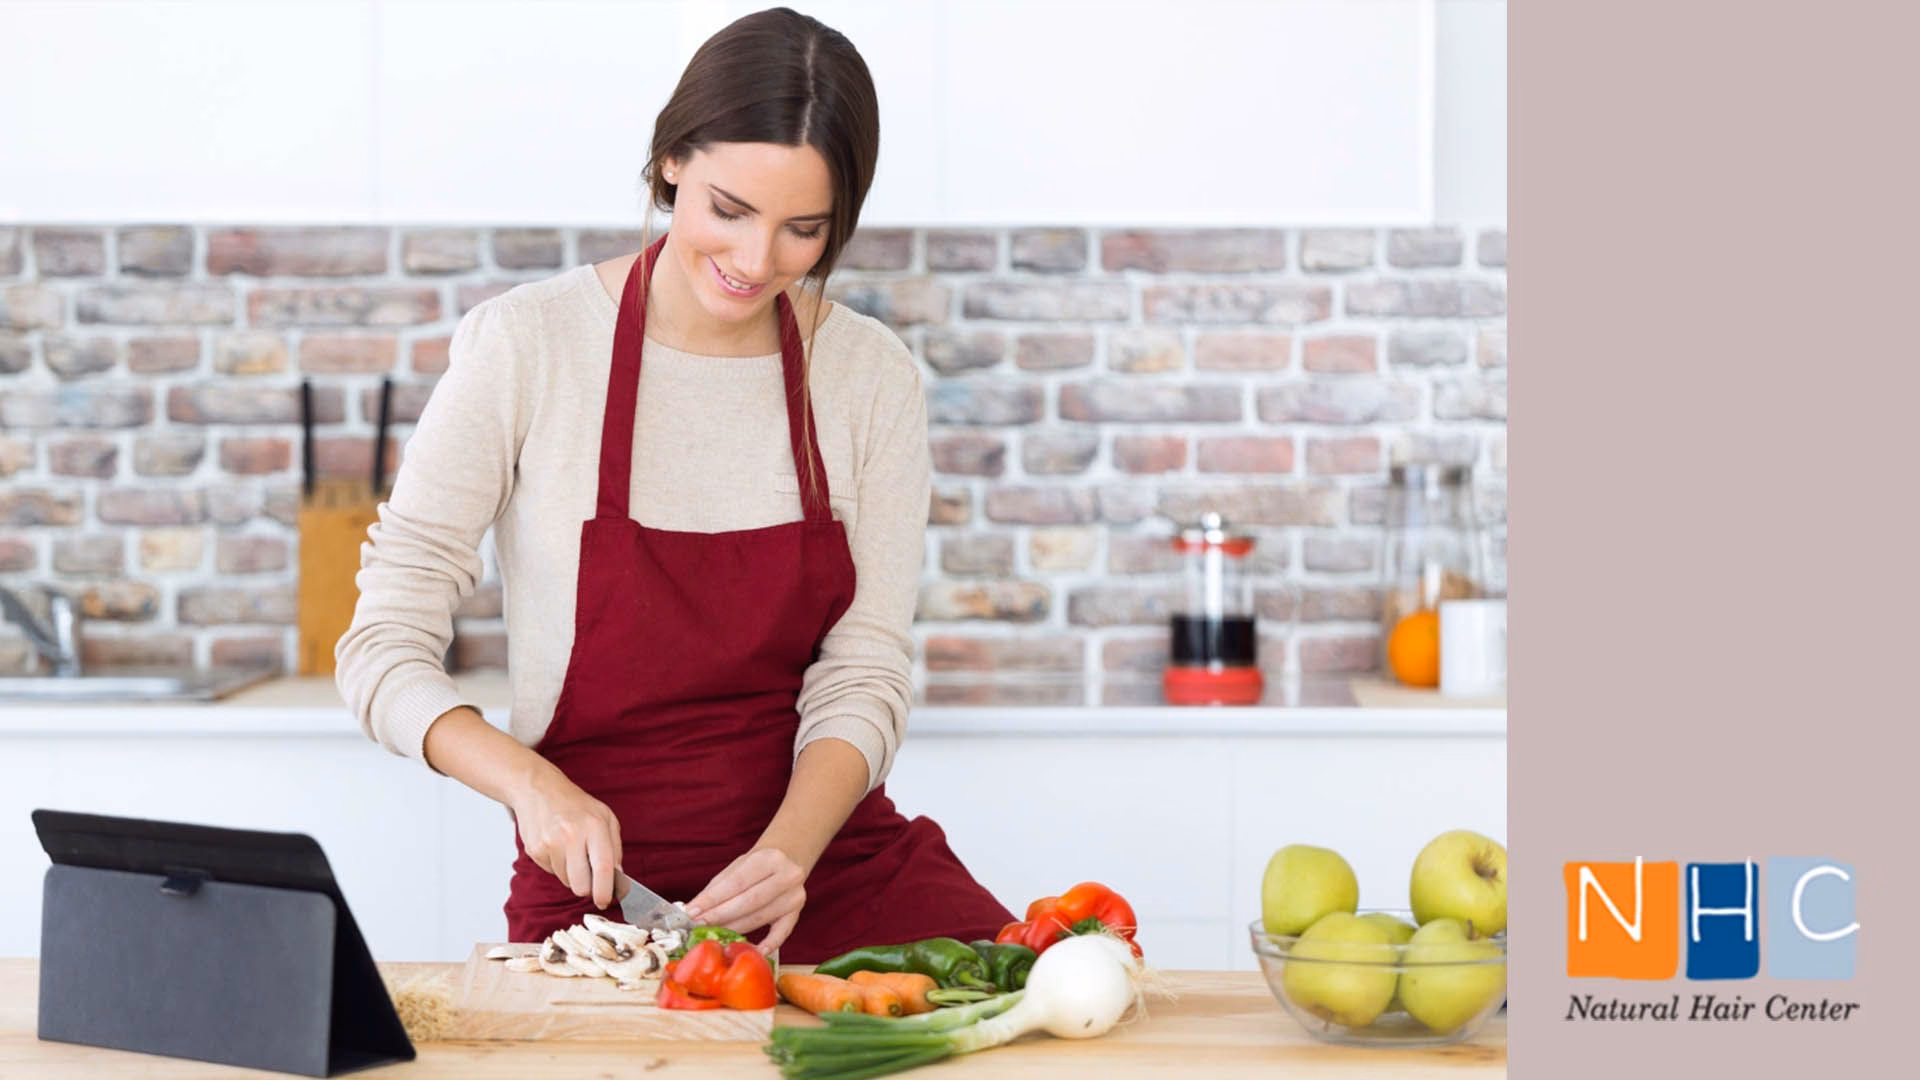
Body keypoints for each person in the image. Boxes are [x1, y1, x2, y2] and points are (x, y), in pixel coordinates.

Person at [336, 6, 1015, 961]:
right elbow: (382, 648)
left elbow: (865, 669)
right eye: (728, 211)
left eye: (802, 231)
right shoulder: (527, 346)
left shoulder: (869, 376)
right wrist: (531, 786)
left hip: (822, 862)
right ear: (669, 165)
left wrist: (788, 853)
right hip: (602, 886)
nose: (754, 262)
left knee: (1045, 994)